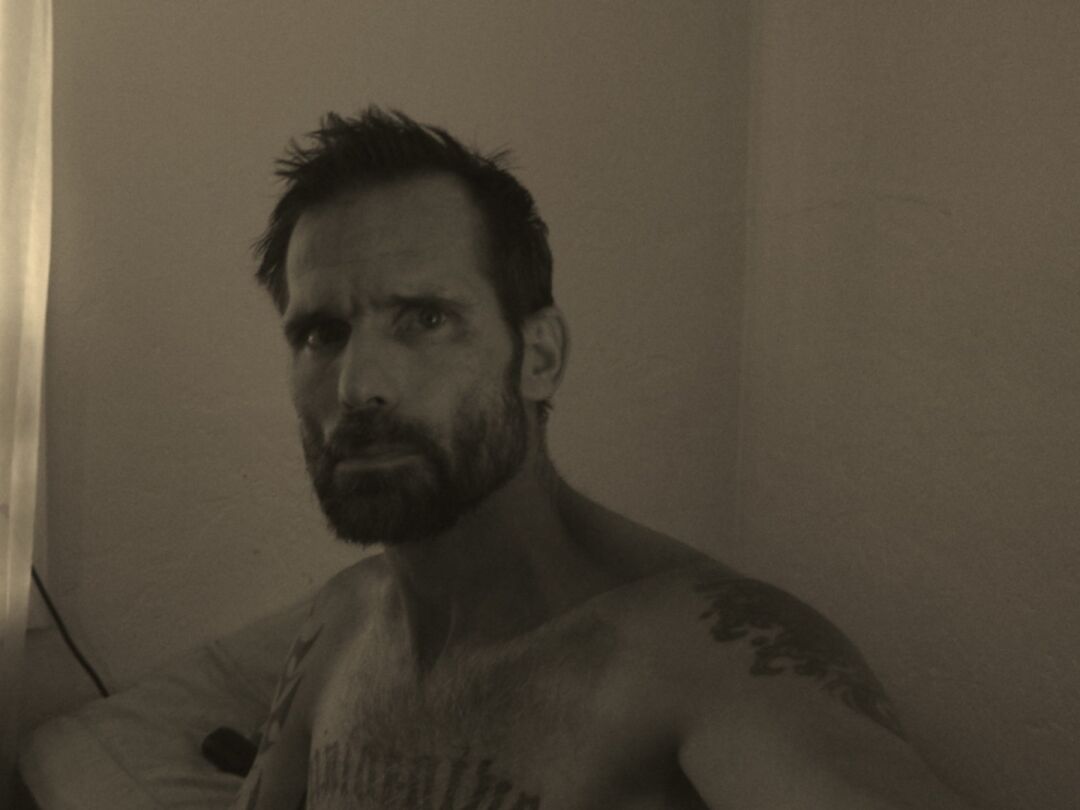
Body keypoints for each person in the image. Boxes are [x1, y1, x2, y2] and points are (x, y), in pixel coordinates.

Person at [232, 107, 972, 810]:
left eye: (426, 319)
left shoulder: (712, 658)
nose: (358, 386)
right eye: (321, 335)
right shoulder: (339, 622)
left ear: (540, 357)